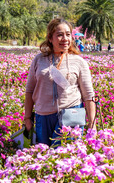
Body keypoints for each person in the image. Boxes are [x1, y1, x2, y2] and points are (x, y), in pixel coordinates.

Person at [24, 18, 96, 147]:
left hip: (71, 114)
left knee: (63, 157)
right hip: (43, 116)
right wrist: (27, 118)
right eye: (60, 35)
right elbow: (29, 91)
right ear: (50, 38)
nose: (65, 39)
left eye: (68, 34)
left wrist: (92, 124)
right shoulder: (39, 60)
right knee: (45, 156)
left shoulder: (79, 62)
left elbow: (89, 96)